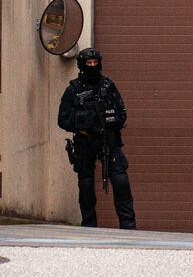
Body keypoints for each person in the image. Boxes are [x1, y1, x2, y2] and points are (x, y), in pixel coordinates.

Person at [57, 48, 136, 229]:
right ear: (82, 65)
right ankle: (89, 225)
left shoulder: (107, 86)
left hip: (108, 140)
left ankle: (128, 226)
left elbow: (121, 113)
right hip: (85, 141)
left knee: (120, 180)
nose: (92, 66)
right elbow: (62, 119)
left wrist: (108, 123)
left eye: (95, 62)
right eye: (89, 63)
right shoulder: (73, 89)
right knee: (86, 183)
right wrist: (82, 126)